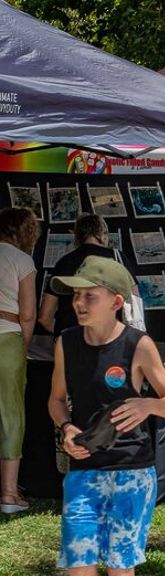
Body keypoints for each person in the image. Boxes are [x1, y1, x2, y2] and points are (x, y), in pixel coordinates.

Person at [47, 256, 165, 576]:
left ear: (116, 302)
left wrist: (147, 404)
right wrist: (66, 428)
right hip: (83, 470)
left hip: (131, 471)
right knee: (79, 569)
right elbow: (56, 400)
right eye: (76, 296)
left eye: (89, 295)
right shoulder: (66, 342)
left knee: (120, 569)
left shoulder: (138, 345)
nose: (79, 303)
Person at [0, 207, 39, 513]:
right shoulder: (22, 260)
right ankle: (9, 494)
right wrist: (21, 347)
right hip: (8, 335)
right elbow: (28, 314)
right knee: (10, 414)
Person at [39, 214, 136, 338]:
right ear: (103, 234)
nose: (79, 301)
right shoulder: (118, 259)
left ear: (77, 236)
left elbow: (44, 317)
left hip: (68, 340)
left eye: (89, 295)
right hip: (109, 339)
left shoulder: (64, 262)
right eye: (77, 293)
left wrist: (63, 333)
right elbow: (134, 301)